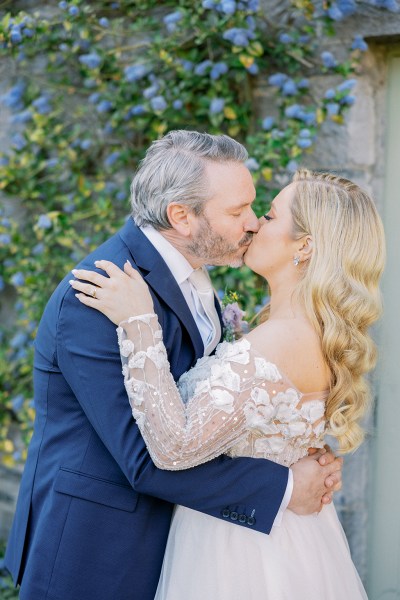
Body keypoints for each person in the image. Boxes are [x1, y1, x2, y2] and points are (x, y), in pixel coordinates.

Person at [5, 131, 341, 600]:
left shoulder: (199, 272)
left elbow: (223, 405)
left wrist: (293, 443)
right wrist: (284, 484)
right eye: (237, 211)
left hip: (183, 544)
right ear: (181, 217)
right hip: (98, 552)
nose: (251, 223)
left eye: (255, 208)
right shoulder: (99, 296)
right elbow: (143, 460)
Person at [70, 167, 385, 599]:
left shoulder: (280, 341)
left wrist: (138, 321)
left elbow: (175, 448)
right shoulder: (306, 331)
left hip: (240, 554)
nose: (255, 223)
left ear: (305, 246)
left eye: (271, 216)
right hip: (285, 535)